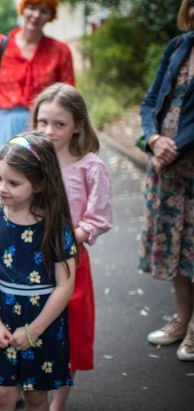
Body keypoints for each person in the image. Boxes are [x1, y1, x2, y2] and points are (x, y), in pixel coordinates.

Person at [31, 83, 113, 410]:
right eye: (42, 122)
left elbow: (98, 218)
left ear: (78, 124)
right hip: (28, 257)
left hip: (68, 260)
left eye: (59, 124)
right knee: (27, 325)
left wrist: (64, 238)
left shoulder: (91, 166)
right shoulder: (31, 158)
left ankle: (58, 401)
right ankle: (25, 389)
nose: (49, 131)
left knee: (70, 333)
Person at [0, 133, 77, 411]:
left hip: (44, 323)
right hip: (5, 319)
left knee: (36, 396)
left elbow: (65, 286)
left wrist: (34, 331)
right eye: (0, 178)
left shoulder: (56, 227)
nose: (2, 187)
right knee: (3, 393)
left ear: (40, 184)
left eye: (14, 183)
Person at [139, 0, 194, 362]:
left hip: (189, 165)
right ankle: (183, 318)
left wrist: (177, 145)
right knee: (175, 247)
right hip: (166, 168)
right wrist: (154, 139)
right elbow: (150, 102)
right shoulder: (178, 45)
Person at [0, 0, 75, 157]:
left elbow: (69, 101)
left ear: (51, 16)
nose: (36, 15)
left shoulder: (60, 51)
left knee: (43, 178)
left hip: (45, 128)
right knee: (12, 177)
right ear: (22, 9)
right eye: (31, 8)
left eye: (44, 11)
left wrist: (69, 142)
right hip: (8, 126)